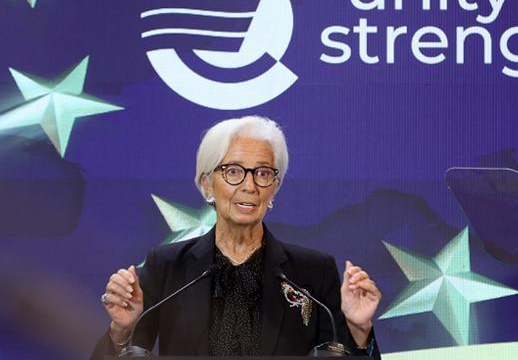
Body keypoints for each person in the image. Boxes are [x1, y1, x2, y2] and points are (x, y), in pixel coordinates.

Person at [91, 116, 381, 358]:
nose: (250, 186)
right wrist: (122, 330)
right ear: (207, 183)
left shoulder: (312, 271)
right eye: (233, 171)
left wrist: (359, 331)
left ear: (275, 187)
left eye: (263, 173)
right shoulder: (168, 266)